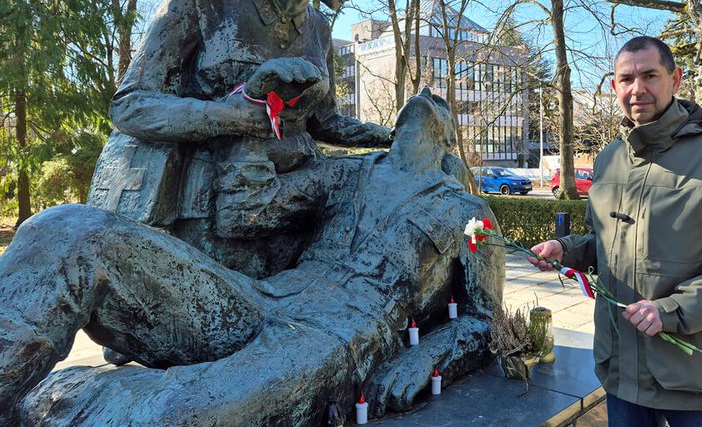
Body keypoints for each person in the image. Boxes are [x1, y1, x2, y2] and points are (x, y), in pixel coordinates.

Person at [0, 89, 504, 425]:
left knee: (182, 412)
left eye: (437, 102)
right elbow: (248, 212)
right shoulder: (349, 172)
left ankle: (45, 400)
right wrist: (257, 114)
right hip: (264, 297)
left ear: (446, 138)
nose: (424, 96)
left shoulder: (468, 213)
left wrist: (425, 357)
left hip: (340, 335)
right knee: (69, 229)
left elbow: (484, 319)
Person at [86, 0, 392, 279]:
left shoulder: (319, 30)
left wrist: (394, 136)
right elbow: (129, 105)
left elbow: (325, 122)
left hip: (298, 214)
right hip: (207, 220)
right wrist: (227, 115)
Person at [529, 36, 702, 426]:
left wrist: (675, 309)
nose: (637, 89)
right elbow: (606, 243)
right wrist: (567, 250)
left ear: (676, 79)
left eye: (650, 75)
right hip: (620, 371)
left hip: (692, 375)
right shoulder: (609, 159)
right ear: (614, 85)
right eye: (626, 79)